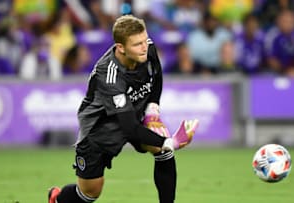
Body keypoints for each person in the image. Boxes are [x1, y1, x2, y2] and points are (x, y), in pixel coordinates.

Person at [48, 15, 199, 203]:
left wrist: (152, 110)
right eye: (137, 44)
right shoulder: (109, 75)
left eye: (145, 40)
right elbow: (129, 129)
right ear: (121, 47)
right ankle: (57, 199)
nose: (144, 47)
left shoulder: (146, 47)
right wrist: (171, 141)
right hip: (100, 130)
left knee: (163, 152)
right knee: (90, 192)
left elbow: (157, 74)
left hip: (132, 115)